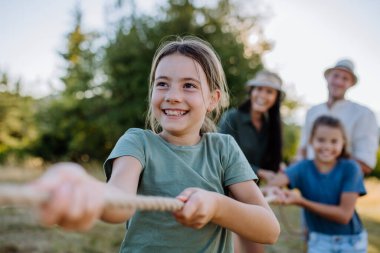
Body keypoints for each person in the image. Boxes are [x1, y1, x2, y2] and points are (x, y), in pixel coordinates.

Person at [31, 36, 280, 252]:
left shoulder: (223, 149)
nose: (172, 96)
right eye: (162, 84)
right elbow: (118, 202)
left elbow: (269, 230)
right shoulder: (138, 142)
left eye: (189, 85)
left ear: (213, 99)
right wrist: (88, 191)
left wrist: (217, 206)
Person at [262, 115, 367, 253]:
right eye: (321, 140)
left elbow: (344, 216)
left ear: (343, 143)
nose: (327, 146)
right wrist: (271, 190)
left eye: (334, 141)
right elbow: (273, 184)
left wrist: (302, 202)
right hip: (318, 241)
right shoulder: (302, 167)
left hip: (351, 242)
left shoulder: (351, 169)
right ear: (311, 140)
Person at [219, 70, 284, 253]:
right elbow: (221, 157)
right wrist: (260, 171)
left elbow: (270, 161)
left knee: (256, 249)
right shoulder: (232, 118)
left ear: (276, 97)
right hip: (228, 194)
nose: (262, 95)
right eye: (259, 89)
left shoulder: (272, 126)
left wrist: (278, 170)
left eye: (269, 92)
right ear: (251, 91)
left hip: (253, 196)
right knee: (235, 248)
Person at [298, 59, 378, 174]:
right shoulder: (312, 111)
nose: (339, 82)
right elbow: (303, 150)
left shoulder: (364, 114)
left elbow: (366, 163)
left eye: (345, 78)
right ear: (328, 78)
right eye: (336, 76)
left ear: (351, 84)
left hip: (342, 184)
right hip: (308, 183)